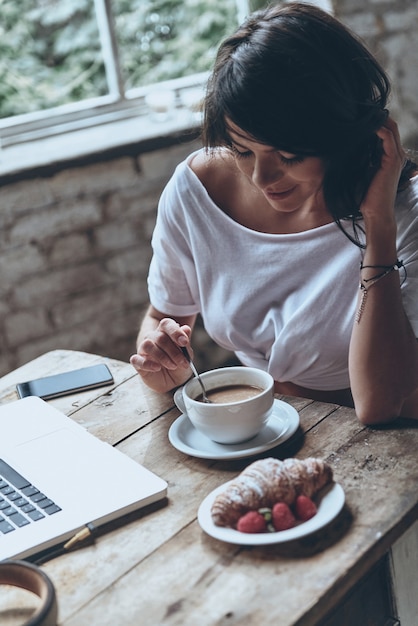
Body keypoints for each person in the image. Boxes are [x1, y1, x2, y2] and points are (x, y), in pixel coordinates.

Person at [130, 1, 418, 425]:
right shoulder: (197, 190)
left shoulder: (404, 210)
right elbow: (163, 316)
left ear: (346, 132)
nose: (262, 177)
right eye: (242, 150)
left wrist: (378, 223)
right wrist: (164, 366)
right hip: (267, 421)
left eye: (289, 154)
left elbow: (377, 405)